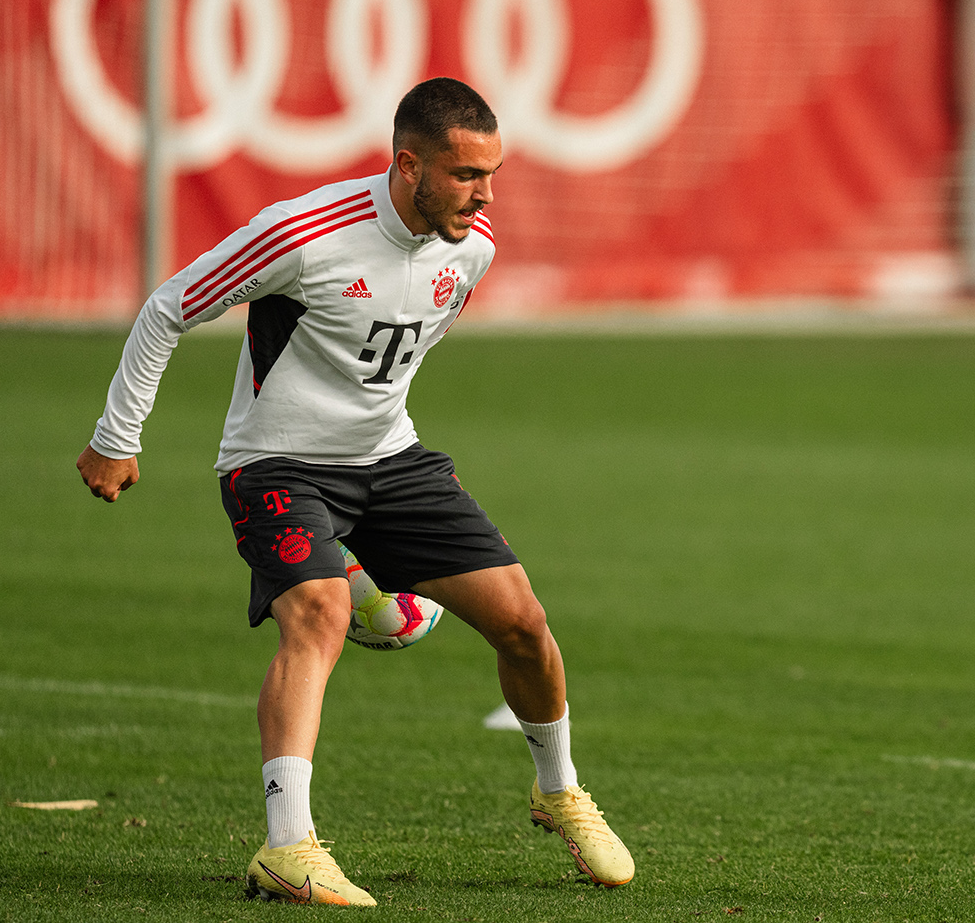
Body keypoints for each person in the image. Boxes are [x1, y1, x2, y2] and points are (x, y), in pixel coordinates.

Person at [75, 78, 635, 905]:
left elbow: (393, 357)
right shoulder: (303, 234)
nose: (485, 194)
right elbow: (169, 307)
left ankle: (559, 791)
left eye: (493, 173)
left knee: (523, 623)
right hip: (276, 465)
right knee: (320, 613)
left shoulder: (471, 244)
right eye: (466, 173)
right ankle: (287, 845)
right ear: (408, 165)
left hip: (391, 463)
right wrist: (117, 437)